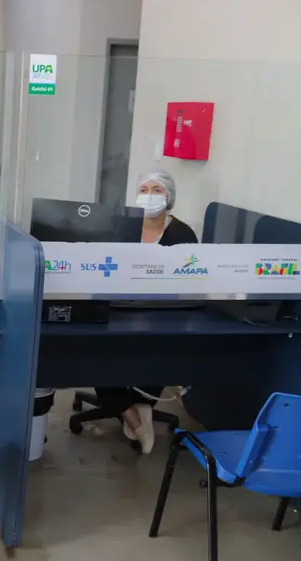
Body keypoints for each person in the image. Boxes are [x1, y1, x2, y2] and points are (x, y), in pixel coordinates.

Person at [95, 170, 197, 454]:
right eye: (144, 189)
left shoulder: (182, 234)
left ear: (169, 197)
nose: (149, 195)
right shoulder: (122, 227)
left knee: (160, 350)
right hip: (118, 306)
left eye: (157, 190)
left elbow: (191, 276)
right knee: (95, 348)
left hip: (163, 310)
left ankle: (142, 405)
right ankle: (131, 414)